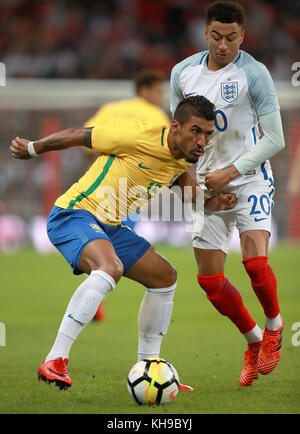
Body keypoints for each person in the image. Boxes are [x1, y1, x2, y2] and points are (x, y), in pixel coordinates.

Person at [11, 96, 237, 391]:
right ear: (175, 127)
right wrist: (32, 148)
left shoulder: (181, 158)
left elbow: (188, 192)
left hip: (111, 227)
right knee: (109, 267)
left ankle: (150, 368)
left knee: (164, 277)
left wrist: (213, 201)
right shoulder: (137, 135)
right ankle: (55, 359)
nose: (202, 141)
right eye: (196, 131)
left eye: (208, 134)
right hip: (74, 213)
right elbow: (77, 135)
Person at [170, 1, 285, 387]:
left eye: (231, 37)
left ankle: (274, 327)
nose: (223, 45)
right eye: (216, 36)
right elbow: (179, 135)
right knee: (210, 282)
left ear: (243, 36)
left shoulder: (255, 74)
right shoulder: (182, 73)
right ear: (205, 33)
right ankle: (253, 341)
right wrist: (191, 181)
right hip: (206, 181)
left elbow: (276, 138)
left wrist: (231, 172)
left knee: (254, 263)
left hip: (249, 175)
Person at [84, 69, 170, 320]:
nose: (160, 97)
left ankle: (94, 296)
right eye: (157, 92)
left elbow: (85, 138)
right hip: (130, 189)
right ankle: (94, 296)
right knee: (113, 240)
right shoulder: (155, 115)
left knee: (100, 239)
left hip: (99, 185)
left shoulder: (111, 109)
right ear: (145, 91)